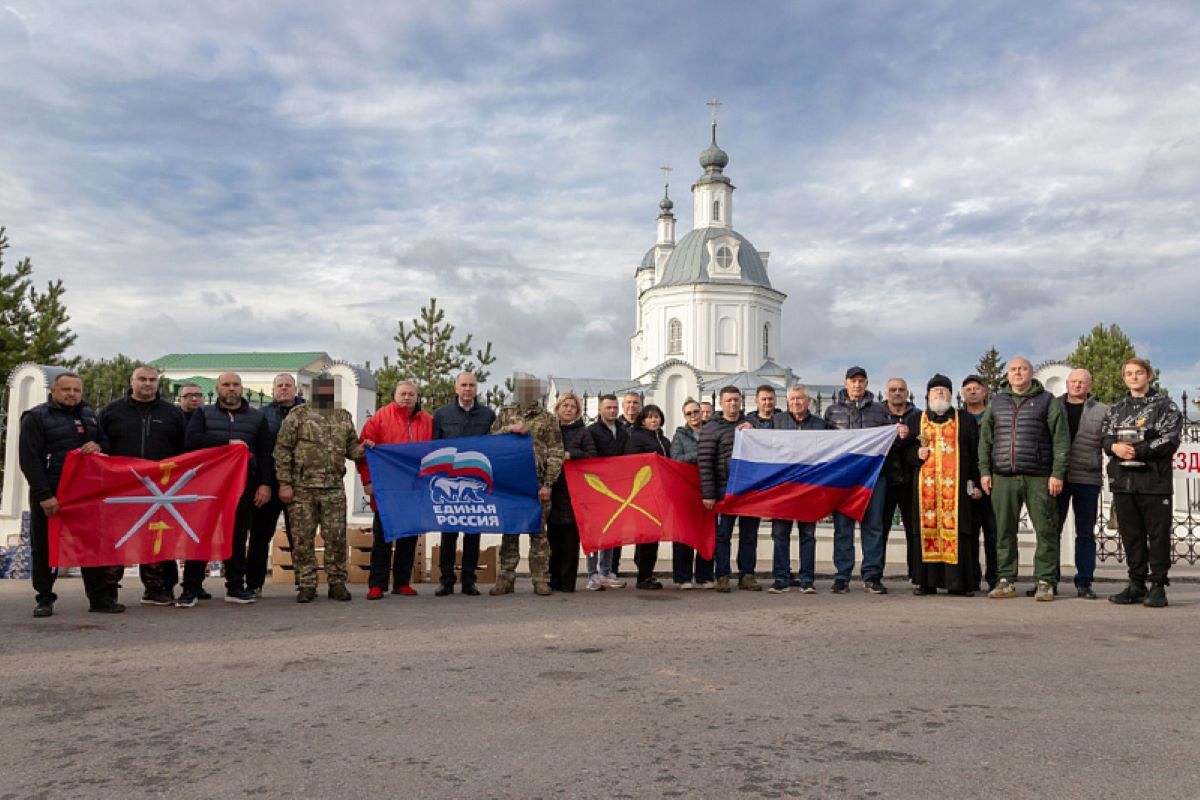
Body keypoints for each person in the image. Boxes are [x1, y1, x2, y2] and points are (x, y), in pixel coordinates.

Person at [19, 371, 120, 617]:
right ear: (53, 390)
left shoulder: (90, 416)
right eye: (66, 389)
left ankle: (98, 599)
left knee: (91, 544)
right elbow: (29, 459)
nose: (71, 394)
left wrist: (98, 446)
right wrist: (44, 495)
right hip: (52, 492)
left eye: (76, 390)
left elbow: (107, 445)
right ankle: (44, 598)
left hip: (85, 492)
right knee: (45, 545)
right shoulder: (36, 417)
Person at [978, 357, 1069, 601]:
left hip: (1039, 477)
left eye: (1023, 369)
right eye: (1013, 370)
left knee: (1046, 530)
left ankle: (1045, 581)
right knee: (1003, 531)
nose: (1018, 373)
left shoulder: (1047, 401)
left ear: (1031, 373)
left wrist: (1057, 473)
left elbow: (1060, 439)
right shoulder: (997, 402)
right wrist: (985, 471)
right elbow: (985, 439)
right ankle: (1006, 580)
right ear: (1007, 375)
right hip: (1002, 476)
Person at [97, 364, 188, 606]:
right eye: (142, 379)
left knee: (155, 537)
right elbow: (99, 445)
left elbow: (183, 449)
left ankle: (155, 587)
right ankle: (108, 589)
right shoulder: (111, 412)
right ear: (132, 381)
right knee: (117, 537)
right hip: (120, 487)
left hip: (159, 488)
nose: (147, 384)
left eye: (152, 380)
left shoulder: (172, 413)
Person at [274, 376, 364, 603]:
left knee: (336, 537)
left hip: (333, 487)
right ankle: (306, 584)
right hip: (302, 489)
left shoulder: (343, 417)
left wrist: (364, 448)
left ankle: (337, 583)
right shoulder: (298, 415)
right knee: (302, 538)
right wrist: (284, 484)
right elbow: (282, 451)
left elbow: (352, 449)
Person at [185, 372, 273, 604]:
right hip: (207, 485)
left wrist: (264, 484)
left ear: (242, 388)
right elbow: (192, 440)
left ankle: (235, 586)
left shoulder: (256, 417)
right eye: (226, 385)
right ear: (218, 388)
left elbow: (265, 454)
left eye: (235, 384)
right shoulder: (203, 414)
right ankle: (191, 588)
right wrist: (226, 444)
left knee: (237, 536)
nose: (231, 389)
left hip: (243, 485)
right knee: (201, 534)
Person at [1102, 358, 1183, 608]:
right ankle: (1136, 583)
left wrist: (1139, 450)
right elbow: (1105, 438)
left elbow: (1170, 440)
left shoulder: (1166, 407)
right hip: (1124, 482)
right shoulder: (1115, 409)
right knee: (1131, 535)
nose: (1134, 377)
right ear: (1124, 378)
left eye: (1139, 373)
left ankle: (1158, 585)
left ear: (1149, 376)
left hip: (1154, 481)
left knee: (1157, 535)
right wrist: (1114, 446)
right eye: (1129, 373)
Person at [489, 377, 565, 596]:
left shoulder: (548, 419)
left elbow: (556, 452)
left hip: (537, 485)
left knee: (539, 535)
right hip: (511, 486)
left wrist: (548, 483)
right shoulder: (505, 414)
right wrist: (509, 429)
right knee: (510, 534)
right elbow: (490, 442)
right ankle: (505, 579)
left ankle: (541, 580)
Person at [906, 375, 981, 595]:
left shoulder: (964, 420)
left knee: (960, 532)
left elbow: (975, 453)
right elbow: (902, 452)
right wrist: (914, 454)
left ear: (951, 395)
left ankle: (958, 583)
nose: (940, 393)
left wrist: (975, 482)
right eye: (935, 390)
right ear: (928, 395)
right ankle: (925, 582)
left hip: (956, 491)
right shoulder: (916, 420)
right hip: (925, 491)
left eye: (944, 390)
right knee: (924, 531)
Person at [359, 380, 434, 599]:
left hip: (414, 489)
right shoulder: (380, 418)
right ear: (394, 395)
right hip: (386, 489)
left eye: (411, 394)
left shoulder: (428, 421)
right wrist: (367, 480)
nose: (407, 397)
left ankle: (402, 582)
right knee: (383, 538)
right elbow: (363, 451)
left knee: (409, 537)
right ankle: (377, 584)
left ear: (417, 397)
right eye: (402, 393)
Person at [823, 366, 895, 594]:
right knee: (843, 528)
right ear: (845, 383)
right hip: (843, 480)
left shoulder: (880, 410)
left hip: (873, 478)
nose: (857, 385)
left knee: (873, 526)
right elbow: (824, 445)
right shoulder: (832, 412)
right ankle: (842, 575)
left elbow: (888, 442)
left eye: (861, 381)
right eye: (853, 381)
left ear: (866, 384)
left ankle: (872, 575)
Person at [430, 372, 495, 596]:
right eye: (464, 385)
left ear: (476, 389)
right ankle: (446, 580)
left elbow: (496, 444)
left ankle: (469, 580)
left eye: (472, 385)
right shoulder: (441, 414)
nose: (468, 389)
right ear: (456, 388)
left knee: (473, 532)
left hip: (475, 480)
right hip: (449, 479)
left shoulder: (488, 415)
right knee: (448, 532)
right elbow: (433, 445)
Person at [246, 373, 304, 597]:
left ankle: (304, 582)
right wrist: (264, 483)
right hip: (268, 484)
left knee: (299, 536)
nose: (283, 389)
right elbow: (260, 452)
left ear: (295, 389)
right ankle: (254, 584)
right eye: (279, 386)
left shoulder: (308, 413)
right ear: (272, 390)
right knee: (260, 536)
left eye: (288, 385)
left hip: (300, 486)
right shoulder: (261, 415)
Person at [698, 386, 759, 592]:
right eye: (729, 400)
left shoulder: (752, 424)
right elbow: (705, 462)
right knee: (723, 534)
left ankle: (747, 574)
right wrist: (708, 494)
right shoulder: (712, 428)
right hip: (725, 488)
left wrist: (754, 431)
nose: (733, 404)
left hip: (749, 489)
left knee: (749, 534)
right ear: (721, 403)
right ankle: (723, 574)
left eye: (736, 400)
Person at [768, 384, 826, 593]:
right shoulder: (778, 422)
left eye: (799, 399)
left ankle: (807, 580)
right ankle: (781, 578)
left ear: (808, 400)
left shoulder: (820, 425)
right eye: (792, 399)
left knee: (807, 535)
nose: (795, 403)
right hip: (783, 488)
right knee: (780, 534)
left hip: (809, 489)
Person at [1056, 369, 1108, 599]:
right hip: (1058, 478)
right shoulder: (1053, 406)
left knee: (1085, 533)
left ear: (1089, 386)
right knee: (1051, 531)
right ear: (1067, 383)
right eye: (1073, 381)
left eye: (1081, 382)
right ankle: (1048, 579)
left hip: (1087, 478)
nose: (1077, 386)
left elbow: (1109, 441)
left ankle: (1084, 581)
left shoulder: (1102, 410)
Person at [548, 392, 596, 592]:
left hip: (573, 492)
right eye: (565, 406)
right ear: (557, 408)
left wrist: (571, 455)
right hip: (551, 489)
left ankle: (567, 582)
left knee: (570, 541)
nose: (568, 409)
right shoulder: (549, 431)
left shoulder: (583, 432)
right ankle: (553, 580)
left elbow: (592, 456)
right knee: (553, 540)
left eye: (572, 406)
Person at [624, 404, 672, 590]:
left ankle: (647, 572)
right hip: (644, 494)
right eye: (650, 417)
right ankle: (643, 576)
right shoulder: (636, 438)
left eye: (657, 417)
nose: (654, 420)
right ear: (643, 420)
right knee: (646, 536)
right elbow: (632, 463)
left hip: (660, 494)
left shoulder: (664, 440)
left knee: (654, 536)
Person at [669, 399, 714, 589]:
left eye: (696, 412)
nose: (694, 416)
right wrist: (699, 454)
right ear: (684, 416)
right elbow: (676, 458)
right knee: (684, 534)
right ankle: (683, 577)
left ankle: (704, 576)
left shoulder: (711, 432)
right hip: (686, 489)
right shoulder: (679, 436)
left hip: (708, 488)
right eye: (689, 413)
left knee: (706, 532)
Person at [584, 393, 626, 589]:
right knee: (594, 532)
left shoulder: (624, 431)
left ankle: (606, 571)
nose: (612, 411)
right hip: (596, 487)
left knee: (611, 530)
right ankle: (592, 574)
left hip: (617, 489)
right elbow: (590, 456)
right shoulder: (591, 431)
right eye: (608, 407)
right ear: (600, 409)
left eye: (615, 408)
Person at [881, 378, 920, 583]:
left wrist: (908, 435)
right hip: (884, 481)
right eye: (893, 390)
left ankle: (916, 574)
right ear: (886, 393)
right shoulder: (879, 415)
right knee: (880, 530)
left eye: (901, 390)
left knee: (914, 532)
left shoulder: (918, 416)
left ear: (907, 392)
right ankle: (875, 575)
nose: (897, 393)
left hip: (910, 481)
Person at [961, 375, 998, 591]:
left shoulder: (994, 416)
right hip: (968, 484)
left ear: (984, 392)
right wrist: (969, 485)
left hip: (993, 482)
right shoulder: (957, 419)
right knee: (970, 535)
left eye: (977, 388)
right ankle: (972, 578)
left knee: (994, 534)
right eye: (968, 389)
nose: (973, 392)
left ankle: (995, 578)